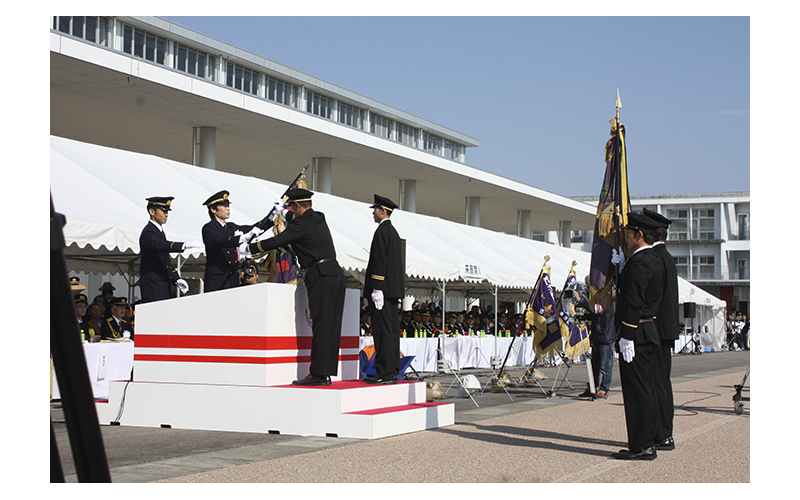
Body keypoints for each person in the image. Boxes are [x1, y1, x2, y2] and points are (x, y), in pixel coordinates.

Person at [240, 188, 345, 386]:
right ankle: (325, 372)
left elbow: (277, 240)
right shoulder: (319, 217)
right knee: (331, 326)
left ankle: (318, 375)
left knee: (322, 326)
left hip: (321, 277)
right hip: (335, 275)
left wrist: (250, 248)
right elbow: (299, 220)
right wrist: (283, 213)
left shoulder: (299, 226)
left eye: (291, 207)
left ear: (296, 205)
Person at [612, 212, 664, 461]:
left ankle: (641, 445)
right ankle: (647, 440)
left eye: (629, 234)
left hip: (637, 333)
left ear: (639, 235)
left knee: (637, 392)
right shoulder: (653, 259)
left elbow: (633, 300)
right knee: (647, 389)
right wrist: (623, 268)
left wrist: (627, 334)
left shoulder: (641, 263)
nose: (626, 239)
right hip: (648, 331)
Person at [643, 207, 680, 452]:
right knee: (661, 382)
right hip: (665, 328)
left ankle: (662, 434)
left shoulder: (656, 258)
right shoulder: (666, 256)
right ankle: (664, 433)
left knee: (657, 384)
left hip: (657, 328)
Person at [362, 194, 405, 384]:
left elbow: (380, 262)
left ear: (382, 211)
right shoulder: (393, 233)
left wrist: (377, 287)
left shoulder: (382, 232)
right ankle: (391, 370)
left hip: (383, 290)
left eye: (375, 210)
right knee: (391, 332)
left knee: (382, 332)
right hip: (392, 291)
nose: (373, 213)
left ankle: (384, 372)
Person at [201, 190, 270, 292]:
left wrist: (272, 217)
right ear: (213, 209)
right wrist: (242, 238)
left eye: (228, 205)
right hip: (217, 281)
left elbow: (253, 229)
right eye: (224, 206)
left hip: (232, 279)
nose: (228, 209)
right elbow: (221, 240)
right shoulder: (208, 228)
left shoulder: (230, 227)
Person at [139, 196, 203, 303]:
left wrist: (176, 278)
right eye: (163, 211)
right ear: (152, 211)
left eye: (167, 211)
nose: (166, 214)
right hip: (153, 285)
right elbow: (159, 245)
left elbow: (165, 261)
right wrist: (184, 245)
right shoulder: (149, 232)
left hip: (162, 283)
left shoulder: (159, 232)